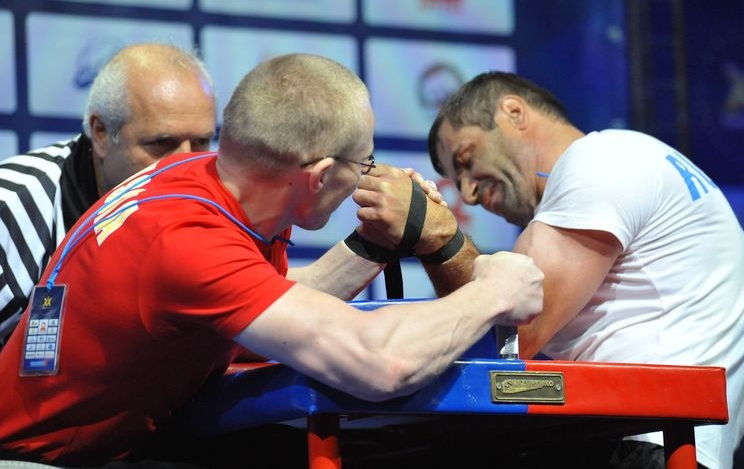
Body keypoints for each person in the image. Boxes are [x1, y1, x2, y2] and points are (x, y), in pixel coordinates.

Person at [0, 54, 545, 467]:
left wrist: (378, 244)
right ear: (317, 176)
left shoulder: (212, 186)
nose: (367, 175)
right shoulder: (186, 243)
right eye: (364, 163)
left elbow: (269, 295)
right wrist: (495, 288)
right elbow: (381, 364)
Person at [426, 71, 744, 469]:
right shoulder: (628, 158)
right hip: (647, 441)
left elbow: (512, 338)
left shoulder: (600, 162)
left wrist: (435, 236)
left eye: (466, 160)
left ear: (513, 112)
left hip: (646, 447)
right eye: (456, 179)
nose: (467, 193)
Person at [0, 43, 218, 347]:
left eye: (201, 142)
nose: (185, 166)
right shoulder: (10, 211)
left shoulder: (218, 203)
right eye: (161, 143)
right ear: (101, 134)